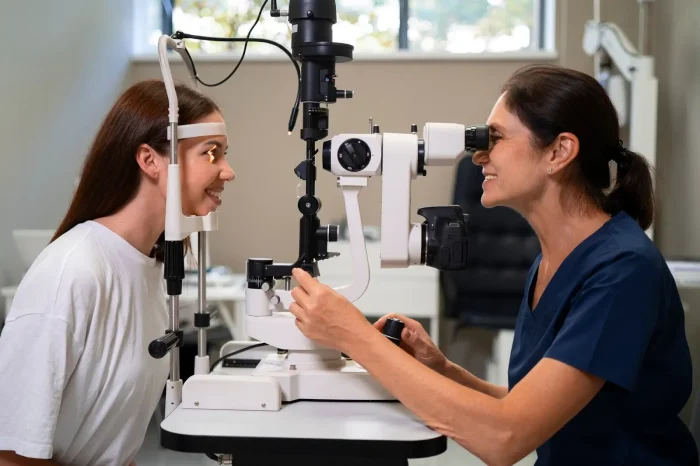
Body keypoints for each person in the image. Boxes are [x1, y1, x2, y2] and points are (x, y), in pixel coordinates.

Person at [288, 64, 698, 465]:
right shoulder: (552, 262)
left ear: (559, 151)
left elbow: (505, 438)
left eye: (495, 137)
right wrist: (444, 370)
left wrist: (354, 335)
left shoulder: (621, 272)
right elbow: (531, 410)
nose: (479, 154)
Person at [0, 80, 234, 466]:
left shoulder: (145, 266)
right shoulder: (73, 272)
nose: (228, 171)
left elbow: (111, 442)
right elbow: (9, 453)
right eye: (211, 154)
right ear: (150, 160)